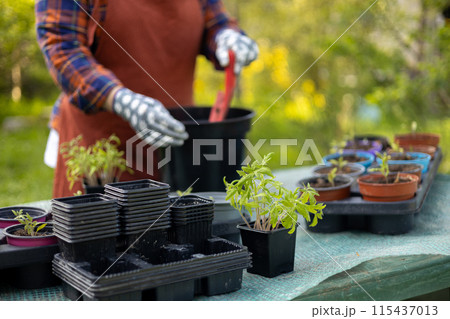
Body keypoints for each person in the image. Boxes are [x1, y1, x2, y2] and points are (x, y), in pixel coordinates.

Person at [36, 0, 258, 198]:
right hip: (99, 144)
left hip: (174, 142)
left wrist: (226, 37)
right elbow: (63, 49)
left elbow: (215, 22)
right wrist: (121, 100)